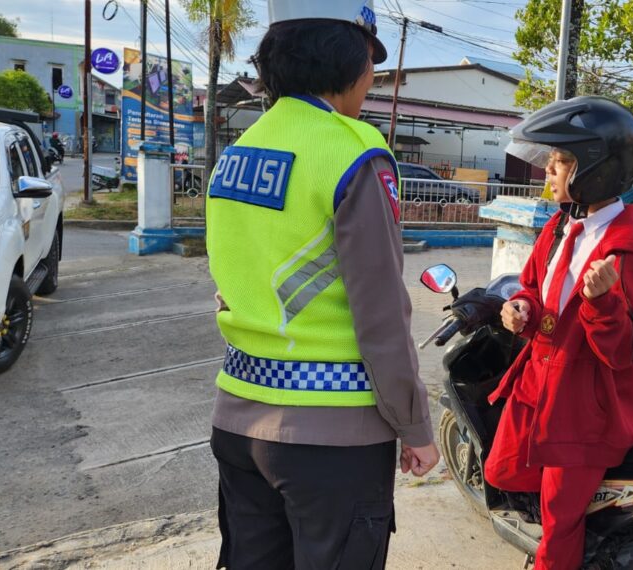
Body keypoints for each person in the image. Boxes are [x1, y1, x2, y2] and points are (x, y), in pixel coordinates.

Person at [204, 1, 438, 568]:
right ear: (347, 63)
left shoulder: (236, 154)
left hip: (238, 419)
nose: (372, 79)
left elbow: (230, 278)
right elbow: (381, 314)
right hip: (333, 436)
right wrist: (414, 425)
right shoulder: (353, 153)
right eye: (370, 64)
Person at [484, 96, 633, 569]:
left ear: (594, 169)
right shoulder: (560, 228)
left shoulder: (629, 251)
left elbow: (630, 349)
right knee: (501, 470)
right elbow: (529, 287)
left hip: (585, 406)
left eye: (560, 162)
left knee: (559, 521)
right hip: (539, 384)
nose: (548, 171)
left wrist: (604, 302)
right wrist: (520, 309)